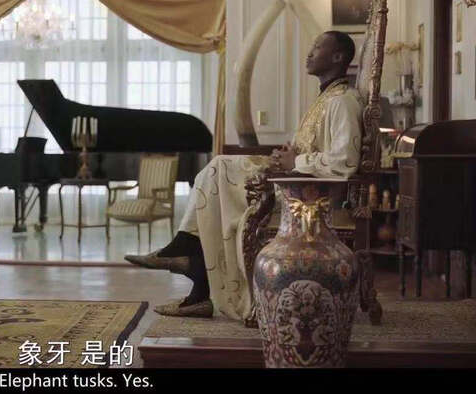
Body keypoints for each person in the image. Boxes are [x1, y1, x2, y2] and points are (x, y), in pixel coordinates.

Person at [125, 31, 362, 320]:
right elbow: (314, 149)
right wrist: (289, 155)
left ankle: (188, 258)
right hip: (292, 181)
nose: (309, 52)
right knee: (215, 175)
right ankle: (193, 272)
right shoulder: (325, 98)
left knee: (219, 168)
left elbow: (344, 161)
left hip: (307, 196)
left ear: (337, 56)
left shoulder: (342, 101)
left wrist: (295, 160)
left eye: (317, 47)